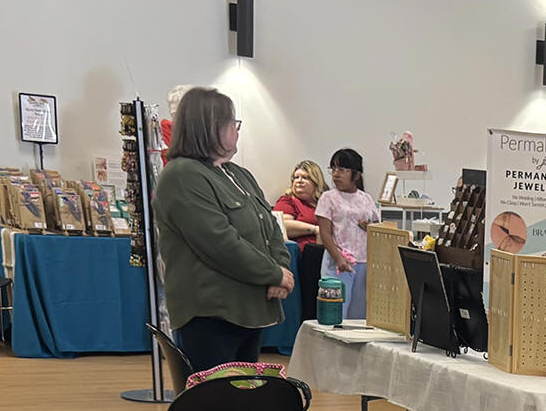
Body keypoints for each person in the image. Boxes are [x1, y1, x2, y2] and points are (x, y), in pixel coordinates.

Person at [151, 87, 294, 374]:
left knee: (244, 395)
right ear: (210, 127)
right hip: (211, 314)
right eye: (233, 123)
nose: (237, 131)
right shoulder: (182, 175)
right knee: (215, 397)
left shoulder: (238, 174)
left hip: (249, 310)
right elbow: (219, 242)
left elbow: (270, 228)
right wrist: (273, 273)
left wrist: (281, 269)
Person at [316, 147, 381, 320]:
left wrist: (368, 226)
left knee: (359, 315)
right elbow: (325, 233)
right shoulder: (328, 198)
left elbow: (377, 226)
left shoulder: (366, 198)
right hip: (339, 261)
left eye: (342, 170)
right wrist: (339, 258)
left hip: (364, 261)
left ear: (356, 174)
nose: (336, 174)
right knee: (337, 313)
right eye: (333, 169)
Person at [273, 161, 324, 242]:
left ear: (316, 182)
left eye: (305, 178)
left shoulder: (325, 202)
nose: (299, 181)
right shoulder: (288, 201)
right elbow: (282, 226)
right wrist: (315, 229)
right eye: (296, 177)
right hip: (304, 247)